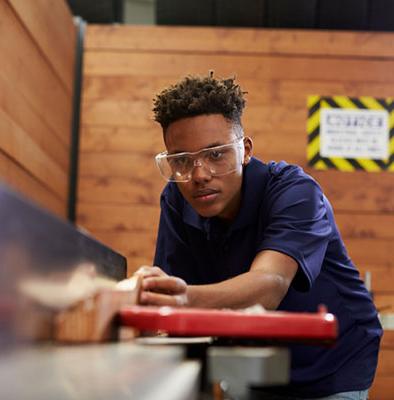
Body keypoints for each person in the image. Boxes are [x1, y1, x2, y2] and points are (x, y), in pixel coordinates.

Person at [136, 72, 382, 399]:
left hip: (333, 362)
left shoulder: (296, 192)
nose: (199, 175)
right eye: (181, 160)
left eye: (216, 154)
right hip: (251, 362)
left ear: (245, 150)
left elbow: (269, 285)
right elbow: (179, 294)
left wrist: (183, 299)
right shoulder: (176, 201)